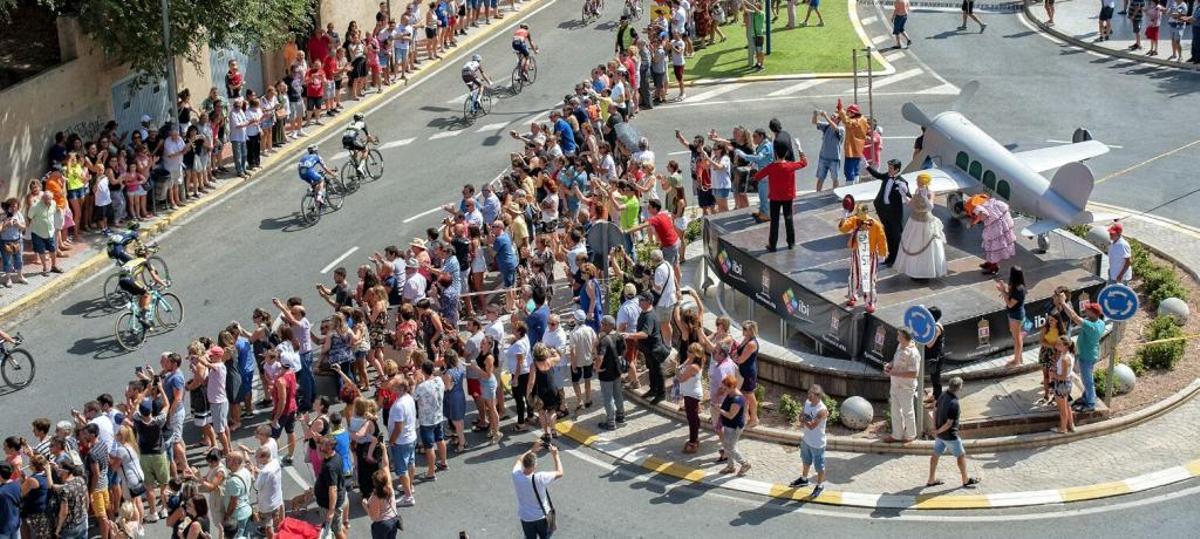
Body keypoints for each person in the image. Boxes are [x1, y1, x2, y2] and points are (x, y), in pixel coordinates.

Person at [752, 146, 808, 252]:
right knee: (788, 219)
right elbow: (804, 162)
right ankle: (791, 243)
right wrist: (800, 149)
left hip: (775, 197)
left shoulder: (771, 167)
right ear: (786, 154)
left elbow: (757, 176)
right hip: (788, 196)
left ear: (776, 154)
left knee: (774, 221)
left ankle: (772, 245)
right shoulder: (791, 166)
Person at [926, 377, 980, 488]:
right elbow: (949, 423)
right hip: (950, 436)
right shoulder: (954, 403)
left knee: (935, 455)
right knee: (961, 455)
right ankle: (965, 480)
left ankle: (931, 480)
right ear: (960, 388)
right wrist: (937, 430)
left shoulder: (942, 395)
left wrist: (934, 427)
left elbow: (935, 409)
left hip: (940, 435)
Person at [893, 172, 946, 279]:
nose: (917, 183)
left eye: (918, 181)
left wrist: (925, 197)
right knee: (913, 244)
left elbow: (931, 207)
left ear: (924, 182)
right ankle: (915, 271)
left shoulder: (930, 193)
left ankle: (925, 272)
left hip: (926, 222)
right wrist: (903, 194)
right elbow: (911, 204)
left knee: (925, 247)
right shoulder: (917, 191)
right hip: (914, 221)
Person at [838, 203, 888, 313]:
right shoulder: (855, 220)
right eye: (857, 212)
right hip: (857, 253)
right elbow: (844, 228)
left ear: (865, 212)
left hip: (870, 255)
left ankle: (870, 301)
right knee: (853, 276)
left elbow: (881, 239)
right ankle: (852, 296)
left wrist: (882, 253)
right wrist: (843, 217)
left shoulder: (875, 224)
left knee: (869, 279)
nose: (858, 214)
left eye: (859, 212)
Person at [1060, 297, 1105, 413]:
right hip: (1091, 354)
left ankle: (1090, 404)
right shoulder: (1100, 322)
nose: (1085, 311)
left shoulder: (1092, 326)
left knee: (1087, 381)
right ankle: (1086, 397)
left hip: (1087, 356)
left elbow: (1074, 317)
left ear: (1094, 313)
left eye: (1088, 310)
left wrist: (1063, 303)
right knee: (1087, 378)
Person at [625, 292, 671, 404]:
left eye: (641, 300)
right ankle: (653, 390)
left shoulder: (649, 316)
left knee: (658, 371)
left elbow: (645, 334)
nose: (639, 302)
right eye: (639, 300)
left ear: (648, 302)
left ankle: (661, 394)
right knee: (652, 369)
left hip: (654, 350)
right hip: (648, 350)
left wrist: (629, 335)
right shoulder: (644, 312)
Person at [512, 440, 562, 539]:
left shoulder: (516, 475)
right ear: (535, 466)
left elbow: (519, 460)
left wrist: (532, 449)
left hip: (525, 518)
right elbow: (560, 472)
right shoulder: (540, 477)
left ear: (523, 465)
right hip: (542, 517)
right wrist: (555, 455)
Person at [866, 159, 909, 267]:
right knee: (888, 235)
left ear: (897, 170)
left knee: (896, 236)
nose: (889, 170)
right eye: (889, 167)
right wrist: (867, 166)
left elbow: (909, 195)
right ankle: (890, 257)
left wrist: (904, 189)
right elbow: (877, 175)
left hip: (894, 213)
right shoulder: (887, 176)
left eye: (891, 168)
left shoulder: (902, 181)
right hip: (884, 210)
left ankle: (898, 258)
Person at [790, 384, 829, 494]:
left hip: (817, 443)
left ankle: (820, 485)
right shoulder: (807, 403)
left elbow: (812, 426)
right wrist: (803, 419)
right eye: (808, 394)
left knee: (819, 467)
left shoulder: (822, 410)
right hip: (806, 440)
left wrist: (803, 420)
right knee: (806, 461)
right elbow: (801, 416)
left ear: (817, 396)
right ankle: (804, 479)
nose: (808, 396)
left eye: (810, 395)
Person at [964, 194, 1015, 275]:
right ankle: (990, 262)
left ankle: (993, 267)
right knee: (991, 244)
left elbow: (983, 214)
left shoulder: (975, 207)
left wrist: (972, 223)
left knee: (993, 246)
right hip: (1001, 222)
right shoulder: (983, 201)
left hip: (996, 226)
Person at [885, 329, 919, 443]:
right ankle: (896, 435)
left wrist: (895, 373)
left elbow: (914, 373)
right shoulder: (900, 345)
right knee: (895, 410)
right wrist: (889, 365)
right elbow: (895, 359)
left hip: (906, 387)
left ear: (905, 336)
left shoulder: (913, 353)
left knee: (907, 412)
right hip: (895, 384)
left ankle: (910, 436)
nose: (897, 336)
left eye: (899, 334)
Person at [594, 316, 627, 430]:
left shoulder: (604, 340)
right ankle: (621, 416)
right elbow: (623, 351)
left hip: (606, 373)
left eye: (603, 324)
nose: (601, 325)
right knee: (618, 394)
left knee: (608, 397)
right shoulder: (619, 336)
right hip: (616, 371)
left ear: (609, 325)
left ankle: (610, 422)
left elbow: (600, 357)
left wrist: (597, 368)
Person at [715, 375, 751, 476]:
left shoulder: (737, 399)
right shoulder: (730, 394)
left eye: (725, 387)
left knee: (731, 447)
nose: (723, 389)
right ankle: (730, 466)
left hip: (734, 427)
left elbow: (731, 415)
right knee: (727, 445)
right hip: (728, 425)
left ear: (731, 387)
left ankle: (745, 463)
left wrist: (719, 410)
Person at [315, 437, 348, 539]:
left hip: (329, 505)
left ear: (329, 448)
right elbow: (320, 454)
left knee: (336, 530)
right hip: (337, 499)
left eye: (323, 444)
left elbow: (332, 489)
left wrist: (331, 511)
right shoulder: (336, 456)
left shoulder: (329, 467)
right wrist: (317, 440)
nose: (321, 445)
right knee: (338, 526)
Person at [996, 266, 1026, 368]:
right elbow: (1010, 296)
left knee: (1017, 339)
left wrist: (1002, 291)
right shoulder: (1014, 286)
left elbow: (1010, 303)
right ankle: (1018, 358)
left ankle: (1017, 361)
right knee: (1016, 337)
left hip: (1016, 315)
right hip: (1013, 314)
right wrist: (1004, 289)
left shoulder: (1019, 289)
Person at [837, 102, 870, 185]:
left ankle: (850, 187)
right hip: (858, 149)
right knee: (855, 170)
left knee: (849, 171)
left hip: (852, 149)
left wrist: (841, 111)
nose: (847, 113)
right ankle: (855, 185)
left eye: (849, 112)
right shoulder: (863, 120)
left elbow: (847, 122)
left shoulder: (855, 122)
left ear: (853, 113)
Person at [811, 109, 844, 191]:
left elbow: (835, 128)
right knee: (820, 178)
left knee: (835, 178)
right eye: (832, 115)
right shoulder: (826, 126)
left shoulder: (841, 129)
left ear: (839, 120)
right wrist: (815, 114)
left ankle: (835, 193)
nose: (832, 117)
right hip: (823, 158)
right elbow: (814, 122)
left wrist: (825, 116)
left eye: (834, 116)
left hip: (834, 159)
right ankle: (817, 193)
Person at [1052, 337, 1077, 434]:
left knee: (1062, 409)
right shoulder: (1070, 355)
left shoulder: (1064, 359)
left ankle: (1063, 428)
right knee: (1067, 406)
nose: (1056, 345)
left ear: (1065, 346)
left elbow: (1062, 377)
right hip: (1067, 384)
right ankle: (1071, 425)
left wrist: (1053, 375)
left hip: (1061, 384)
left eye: (1059, 344)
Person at [923, 306, 946, 403]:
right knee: (933, 378)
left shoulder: (936, 328)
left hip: (936, 357)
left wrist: (922, 337)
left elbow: (929, 344)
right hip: (931, 356)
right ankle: (934, 396)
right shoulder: (931, 325)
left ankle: (937, 400)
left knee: (936, 379)